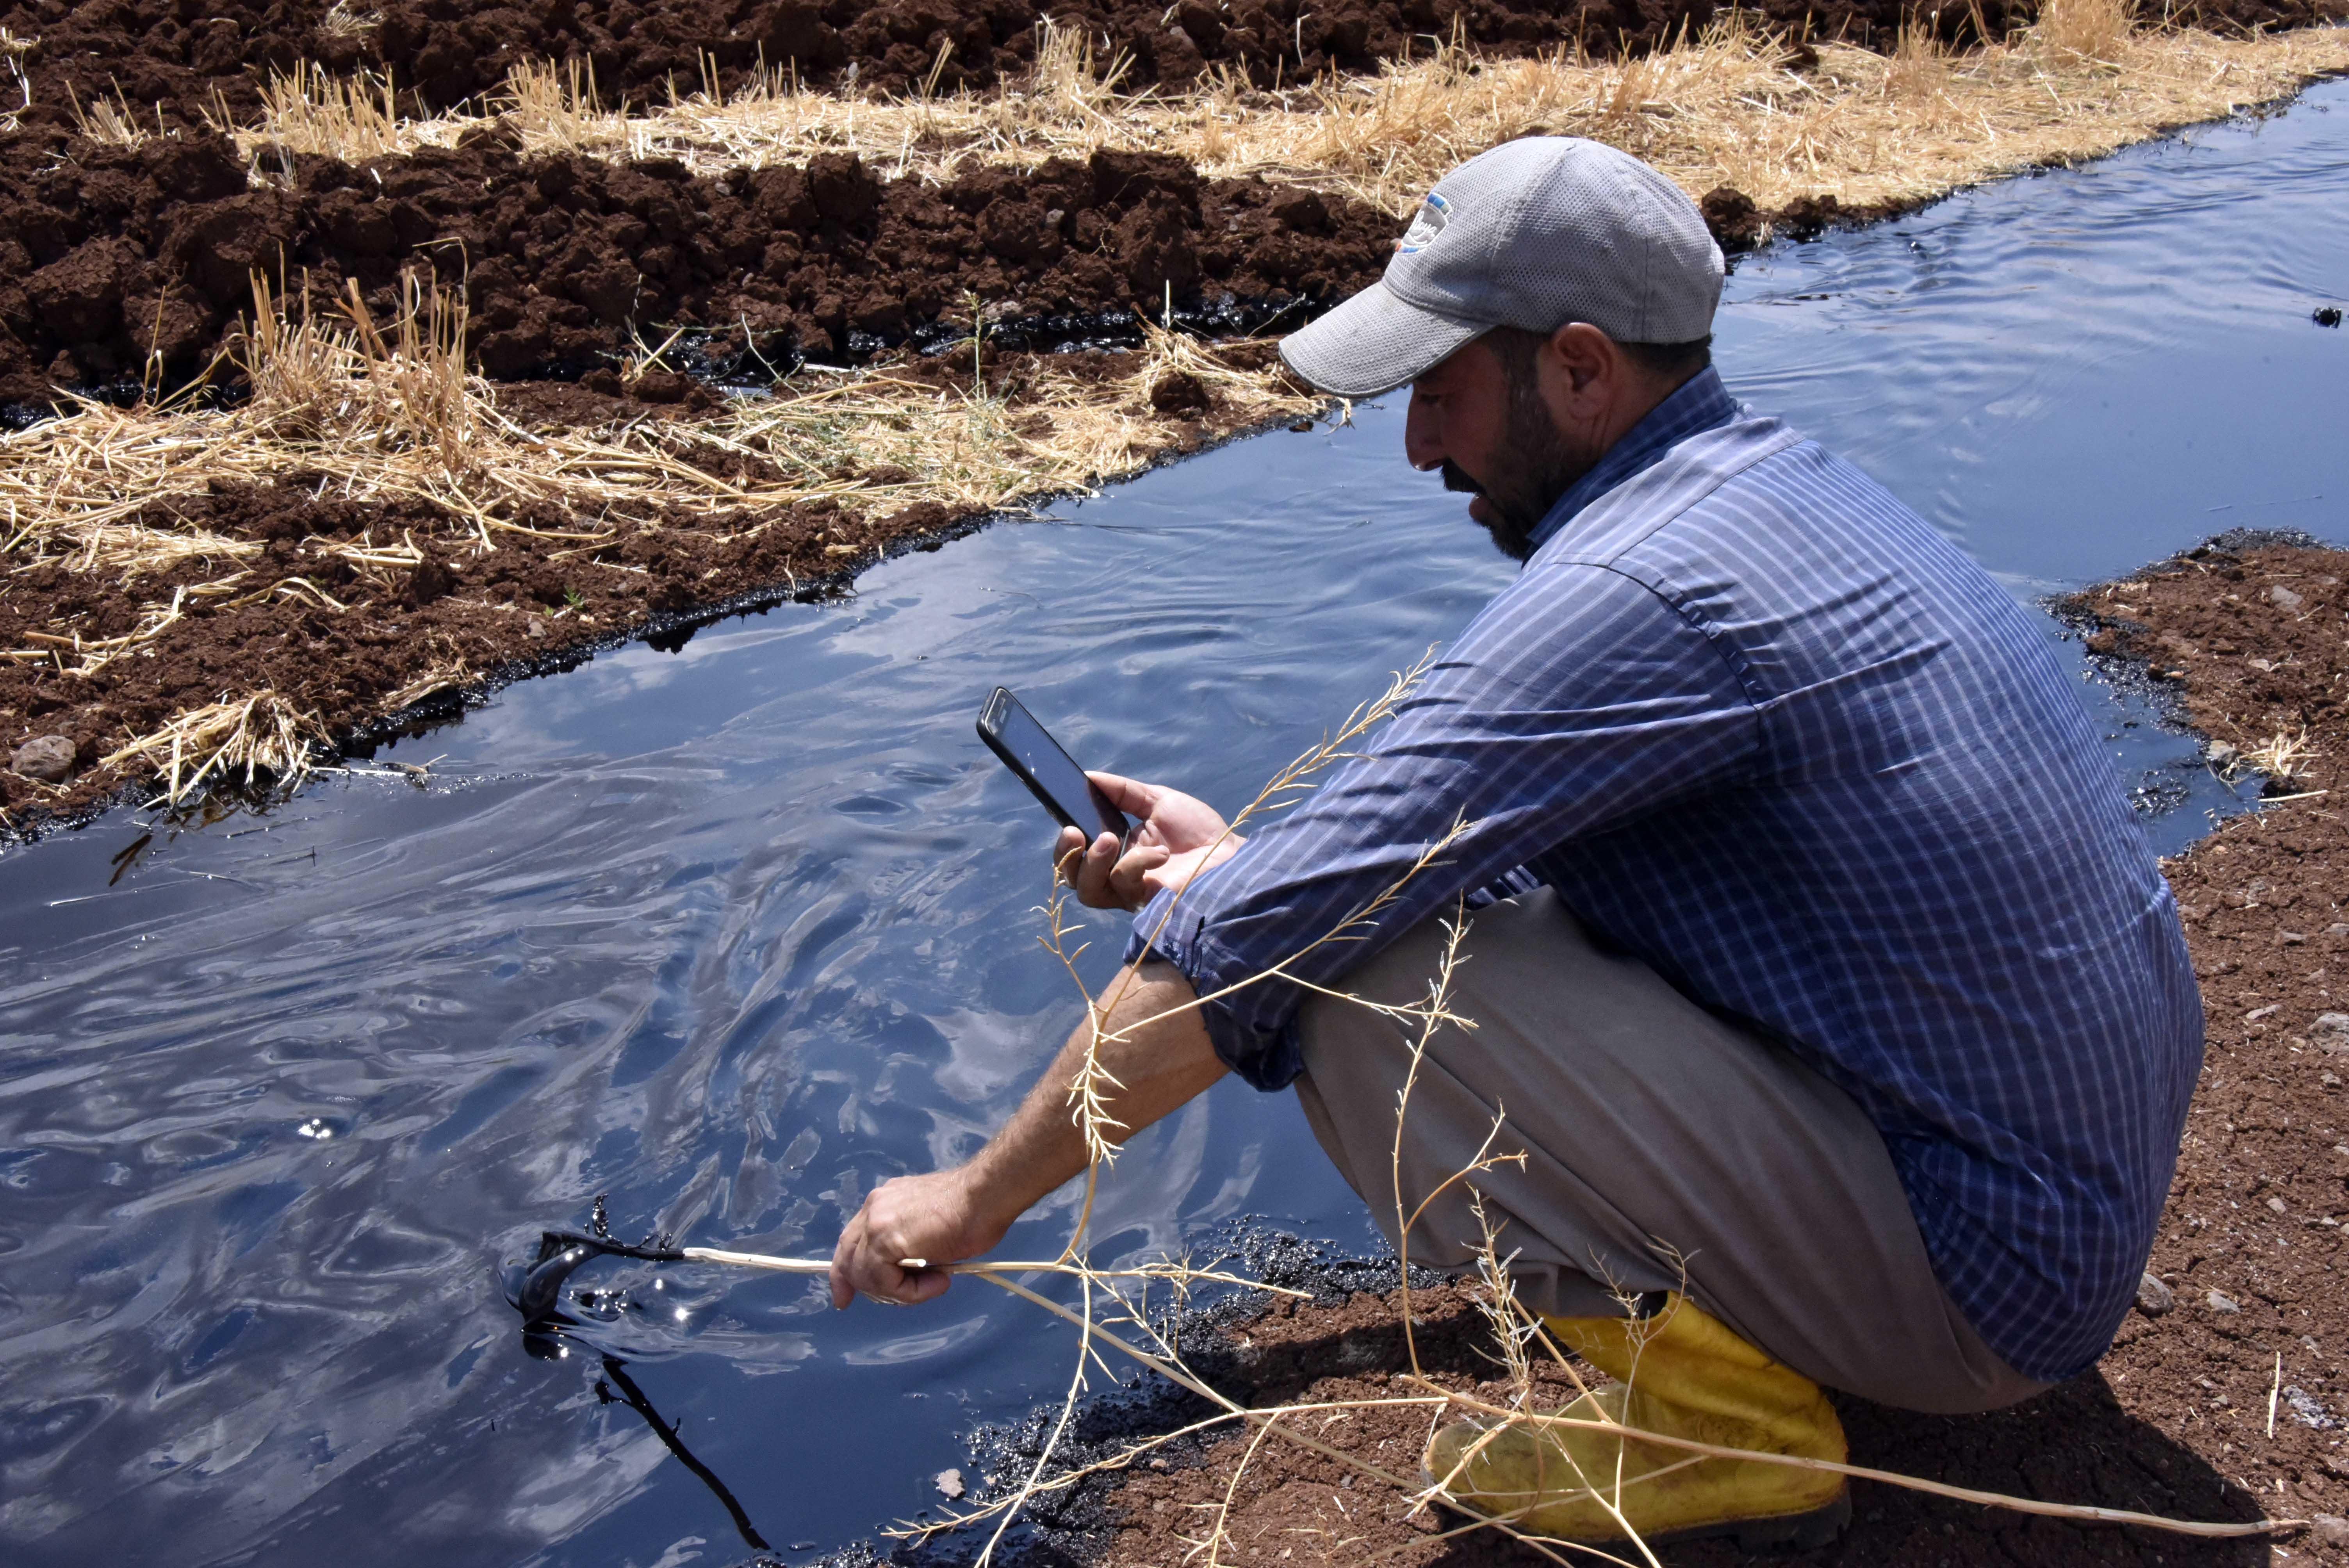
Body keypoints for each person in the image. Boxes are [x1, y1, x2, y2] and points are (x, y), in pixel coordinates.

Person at [828, 137, 2202, 1547]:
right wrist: (1244, 859)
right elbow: (1447, 867)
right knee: (1372, 910)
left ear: (1583, 370)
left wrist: (971, 1200)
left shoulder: (1635, 588)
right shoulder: (1776, 497)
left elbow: (1262, 948)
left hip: (1978, 1292)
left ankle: (1720, 1436)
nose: (1418, 442)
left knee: (1360, 987)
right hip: (2051, 1205)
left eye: (1441, 387)